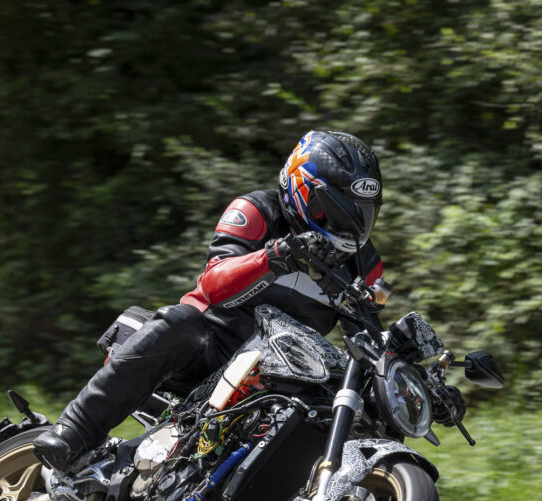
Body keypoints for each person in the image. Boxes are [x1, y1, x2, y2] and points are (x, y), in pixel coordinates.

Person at [33, 130, 391, 473]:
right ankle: (74, 430)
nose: (348, 229)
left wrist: (409, 382)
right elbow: (212, 286)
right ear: (300, 189)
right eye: (333, 211)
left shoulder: (365, 264)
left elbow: (365, 344)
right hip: (213, 346)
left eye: (361, 214)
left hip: (282, 374)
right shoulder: (257, 210)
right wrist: (274, 256)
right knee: (183, 324)